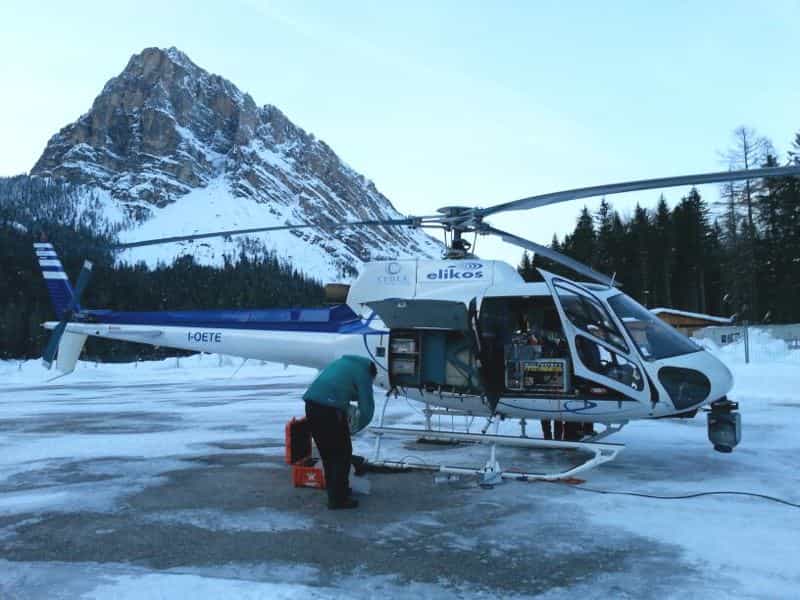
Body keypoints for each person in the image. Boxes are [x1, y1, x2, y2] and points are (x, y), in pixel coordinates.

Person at [303, 355, 376, 510]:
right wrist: (355, 429)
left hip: (311, 406)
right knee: (342, 454)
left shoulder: (342, 363)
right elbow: (366, 407)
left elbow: (340, 388)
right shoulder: (364, 373)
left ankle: (335, 493)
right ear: (372, 374)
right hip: (329, 410)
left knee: (328, 453)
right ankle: (339, 499)